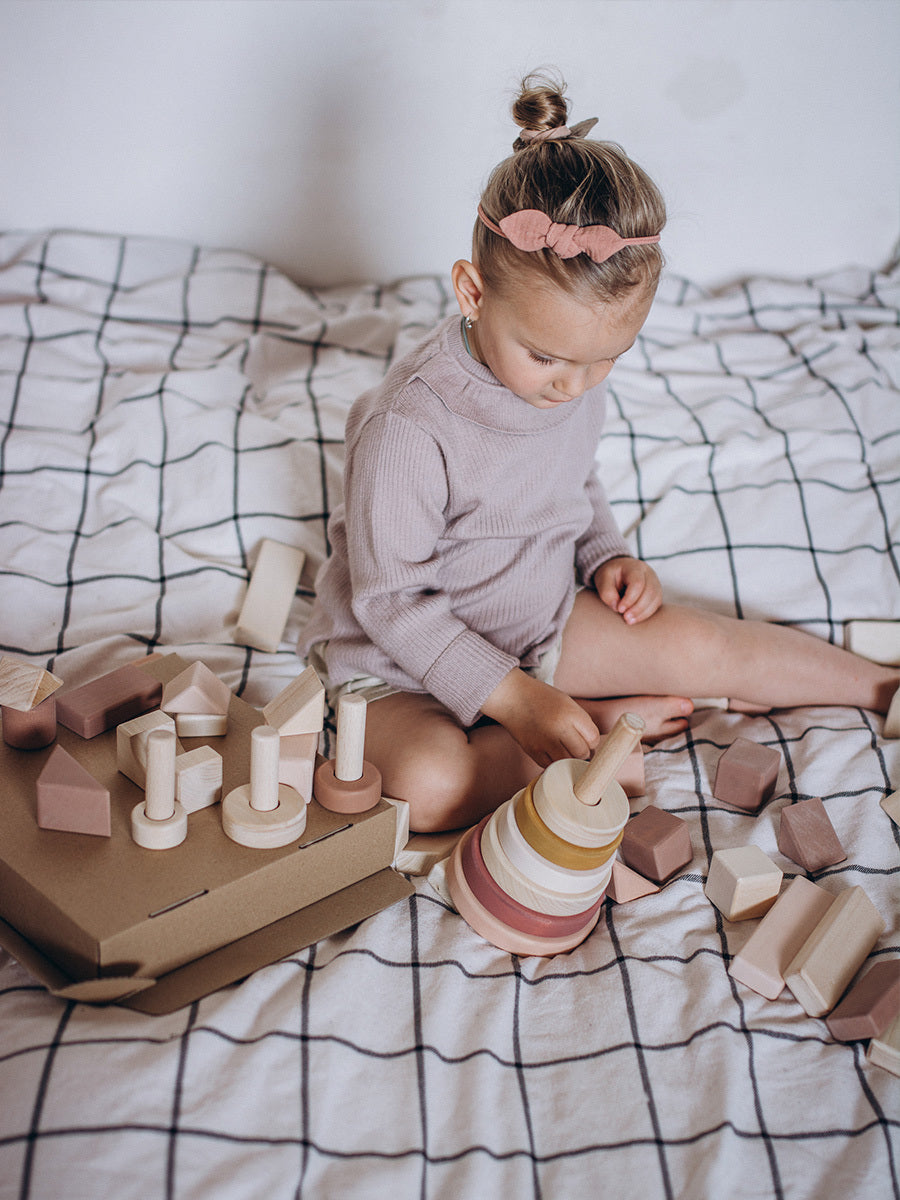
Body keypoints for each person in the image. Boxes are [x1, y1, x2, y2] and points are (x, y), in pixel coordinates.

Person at [300, 72, 899, 833]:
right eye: (547, 357)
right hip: (402, 669)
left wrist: (605, 556)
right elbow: (394, 606)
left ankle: (882, 688)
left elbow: (571, 485)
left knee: (703, 643)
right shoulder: (408, 428)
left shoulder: (574, 379)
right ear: (472, 292)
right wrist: (516, 701)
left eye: (605, 359)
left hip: (538, 626)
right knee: (426, 784)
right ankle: (601, 735)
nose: (572, 386)